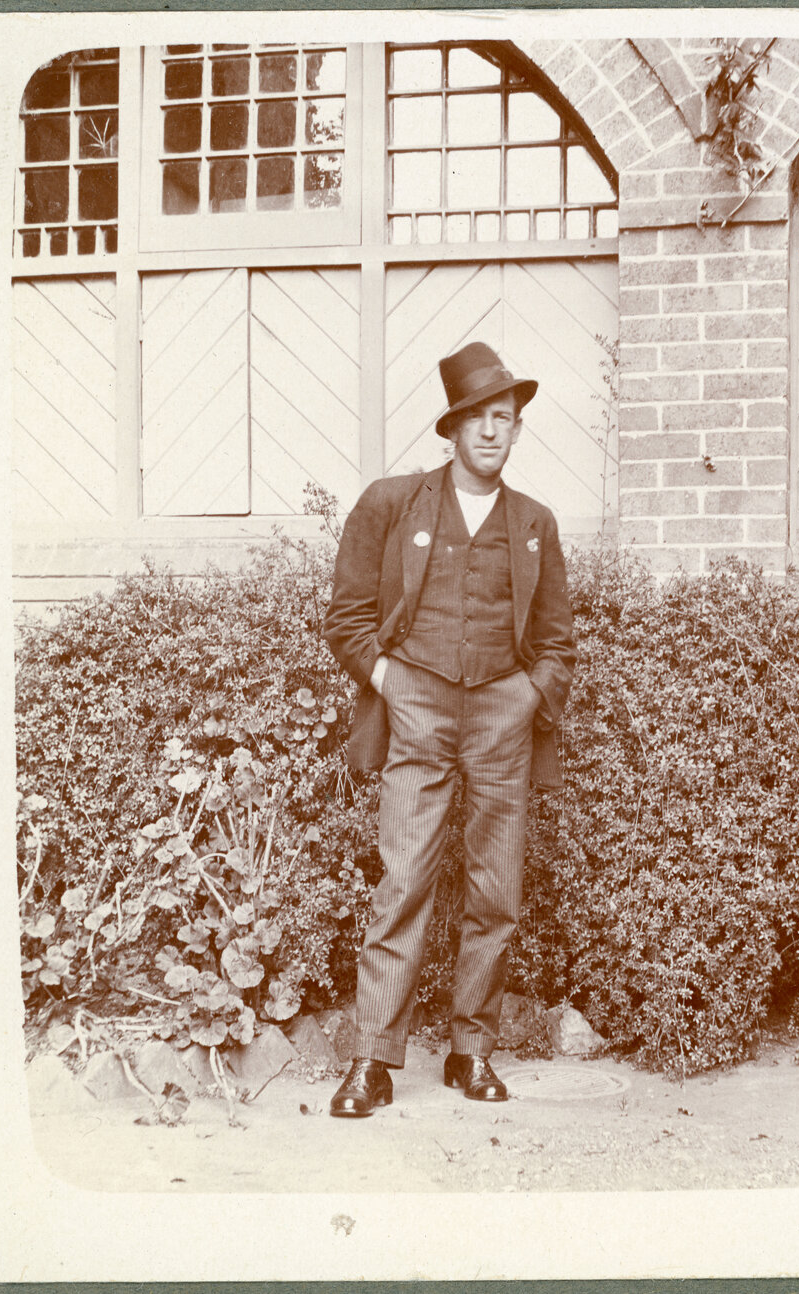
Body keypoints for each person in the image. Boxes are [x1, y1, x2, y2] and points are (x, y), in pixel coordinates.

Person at [323, 341, 576, 1117]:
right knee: (404, 878)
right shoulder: (393, 504)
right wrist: (390, 680)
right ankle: (373, 1061)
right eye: (480, 418)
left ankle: (472, 1051)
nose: (494, 432)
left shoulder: (534, 523)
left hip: (502, 709)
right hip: (418, 706)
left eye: (507, 418)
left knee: (496, 887)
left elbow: (559, 640)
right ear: (453, 428)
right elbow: (347, 619)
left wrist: (531, 696)